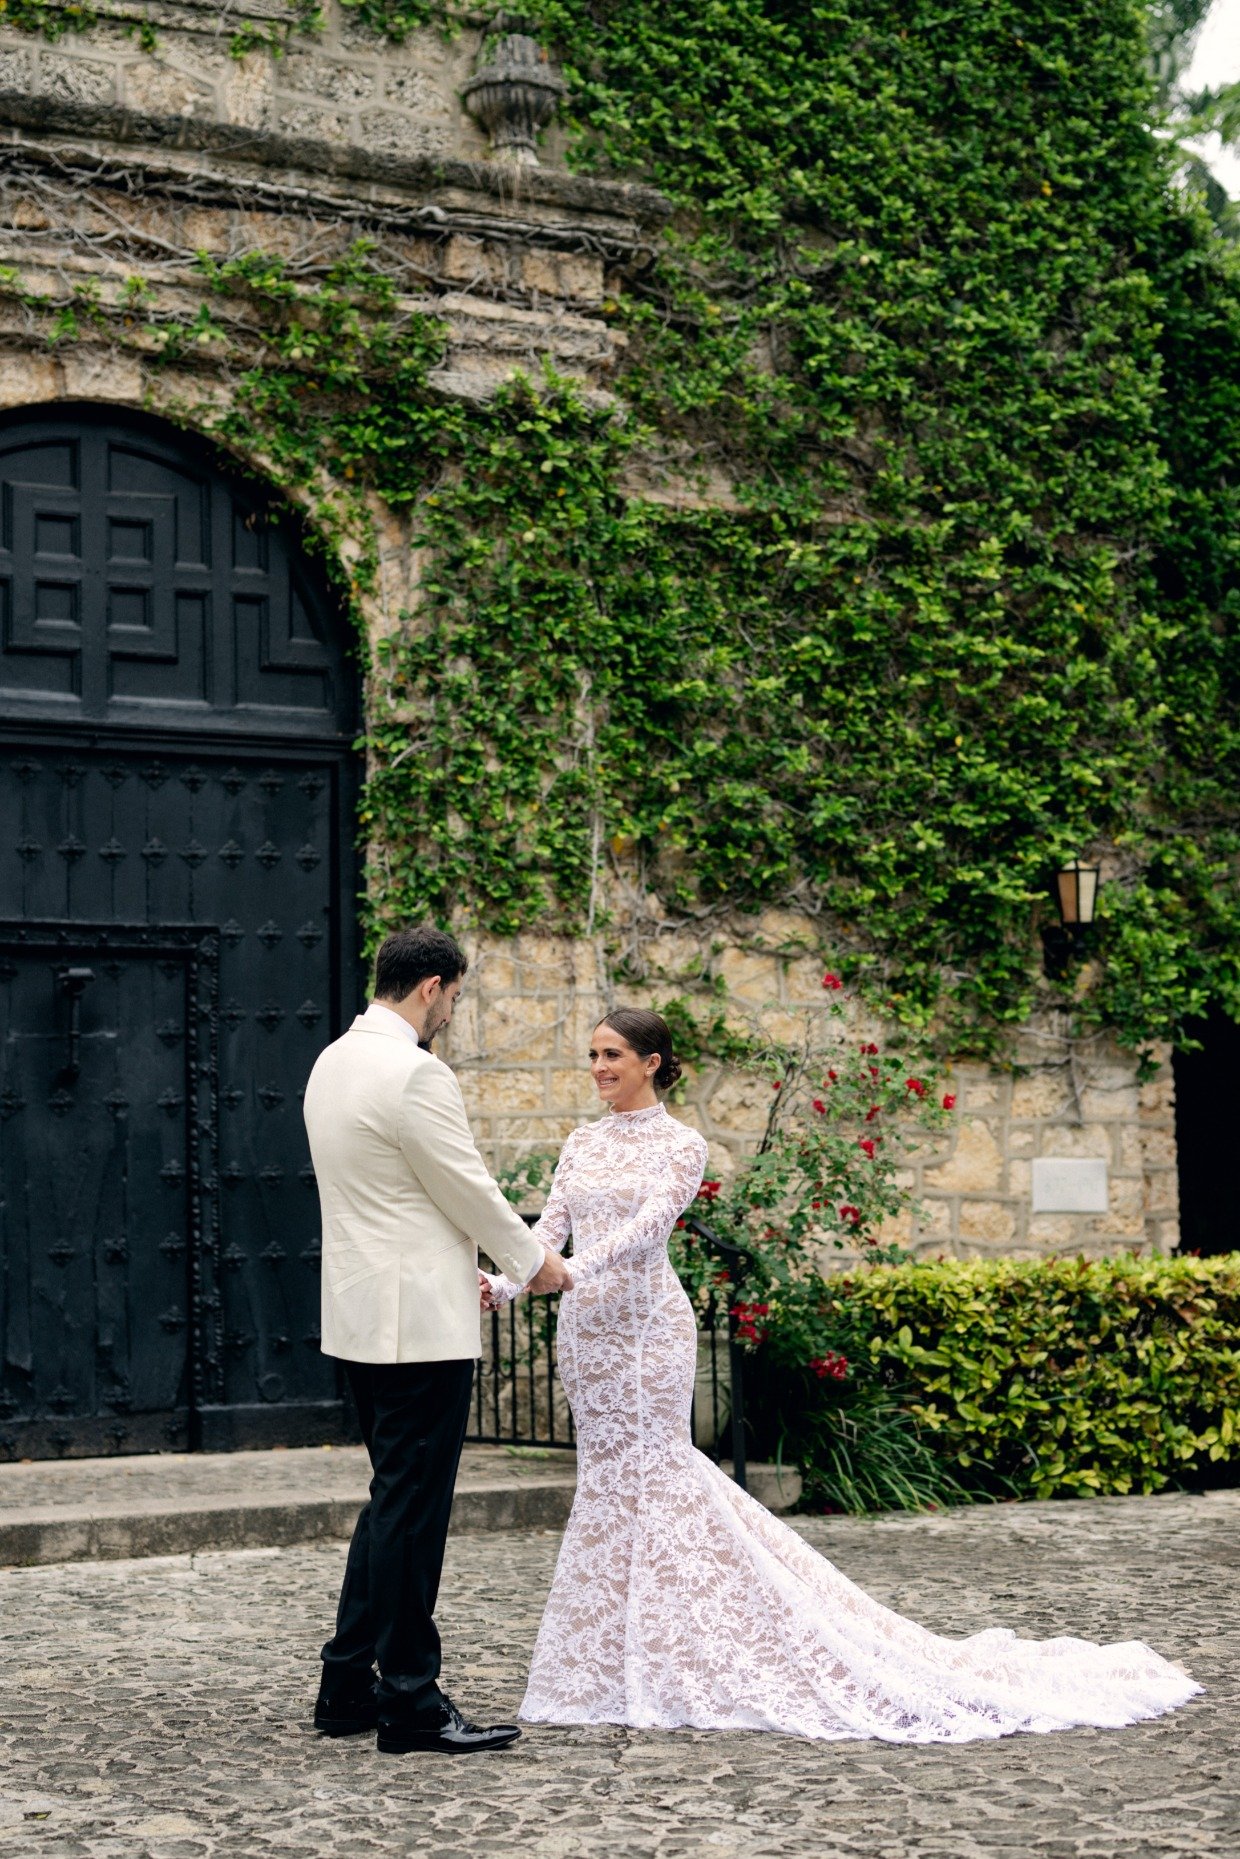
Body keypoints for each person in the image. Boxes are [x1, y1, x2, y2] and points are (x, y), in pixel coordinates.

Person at [482, 1005, 1201, 1742]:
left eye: (613, 1054)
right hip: (588, 1334)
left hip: (645, 1331)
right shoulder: (580, 1141)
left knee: (660, 1473)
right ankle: (605, 1661)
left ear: (652, 1061)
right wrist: (509, 1283)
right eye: (594, 1054)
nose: (599, 1067)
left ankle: (698, 1643)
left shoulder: (682, 1144)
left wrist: (565, 1272)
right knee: (607, 1480)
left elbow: (644, 1233)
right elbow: (548, 1231)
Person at [302, 926, 572, 1756]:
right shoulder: (415, 1073)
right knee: (413, 1520)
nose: (452, 1011)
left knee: (393, 1503)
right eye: (453, 997)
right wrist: (537, 1263)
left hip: (357, 1317)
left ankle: (347, 1682)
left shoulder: (331, 1061)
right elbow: (470, 1190)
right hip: (416, 1326)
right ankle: (411, 1699)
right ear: (431, 986)